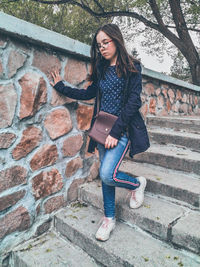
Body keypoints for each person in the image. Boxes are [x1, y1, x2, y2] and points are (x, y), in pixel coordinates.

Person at [50, 24, 150, 242]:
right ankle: (109, 218)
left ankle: (137, 184)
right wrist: (61, 86)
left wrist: (116, 132)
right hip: (102, 130)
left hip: (121, 131)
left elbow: (134, 101)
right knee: (106, 177)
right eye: (99, 44)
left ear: (116, 40)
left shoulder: (133, 67)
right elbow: (88, 93)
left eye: (106, 42)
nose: (102, 48)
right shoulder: (102, 68)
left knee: (106, 174)